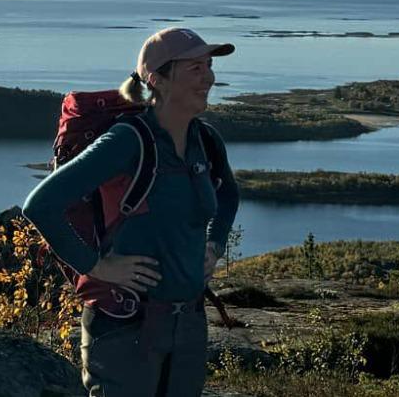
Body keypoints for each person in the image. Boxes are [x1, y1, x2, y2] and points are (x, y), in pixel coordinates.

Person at [23, 27, 241, 397]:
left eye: (208, 66)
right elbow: (41, 205)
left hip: (187, 325)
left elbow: (229, 195)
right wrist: (94, 265)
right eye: (195, 69)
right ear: (157, 79)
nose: (209, 77)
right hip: (125, 330)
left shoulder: (204, 139)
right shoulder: (128, 141)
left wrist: (215, 244)